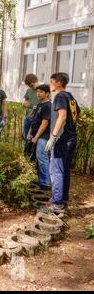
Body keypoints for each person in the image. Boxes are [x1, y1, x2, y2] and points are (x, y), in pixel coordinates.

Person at [44, 72, 81, 213]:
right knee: (64, 170)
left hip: (62, 139)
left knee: (56, 170)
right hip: (72, 138)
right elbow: (78, 114)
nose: (49, 84)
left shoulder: (60, 96)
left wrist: (53, 136)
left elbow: (63, 115)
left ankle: (57, 203)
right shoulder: (70, 96)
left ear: (58, 83)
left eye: (51, 81)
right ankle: (63, 200)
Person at [27, 84, 51, 191]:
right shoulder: (39, 105)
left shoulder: (48, 106)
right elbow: (35, 121)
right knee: (38, 158)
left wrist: (36, 137)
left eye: (41, 92)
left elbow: (44, 123)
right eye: (37, 92)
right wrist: (29, 132)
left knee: (43, 159)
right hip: (36, 135)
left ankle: (45, 183)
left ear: (47, 94)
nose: (38, 93)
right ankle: (41, 180)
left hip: (43, 137)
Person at [23, 74, 40, 140]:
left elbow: (45, 105)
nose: (31, 87)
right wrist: (25, 104)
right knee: (27, 139)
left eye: (32, 85)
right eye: (29, 86)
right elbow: (25, 102)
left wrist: (31, 105)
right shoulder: (29, 90)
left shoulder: (43, 90)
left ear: (36, 81)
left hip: (37, 119)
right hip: (28, 118)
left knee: (34, 139)